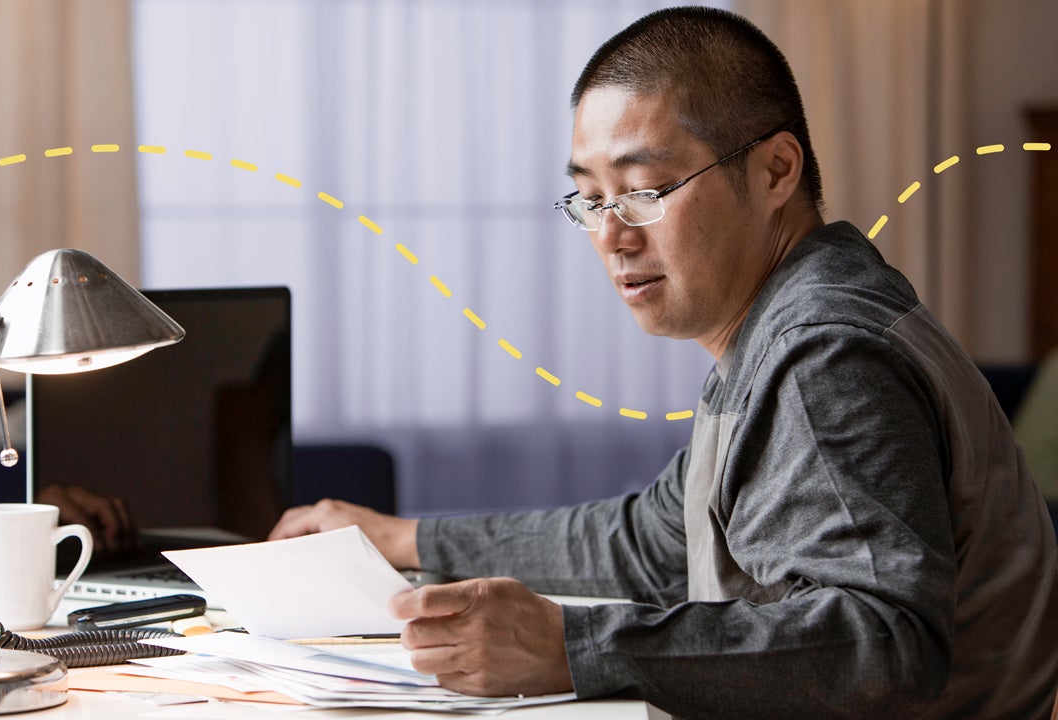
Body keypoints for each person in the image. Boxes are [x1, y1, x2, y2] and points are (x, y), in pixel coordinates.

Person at [268, 7, 1058, 719]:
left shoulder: (823, 356)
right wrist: (401, 538)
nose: (612, 234)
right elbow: (648, 542)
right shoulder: (780, 325)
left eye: (645, 189)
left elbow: (885, 647)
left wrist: (572, 647)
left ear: (777, 171)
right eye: (590, 198)